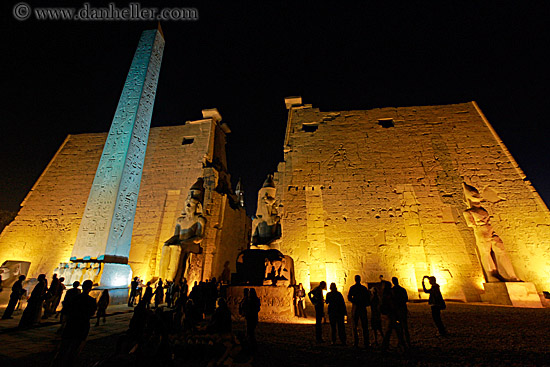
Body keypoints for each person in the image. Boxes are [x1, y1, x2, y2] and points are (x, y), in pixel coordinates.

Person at [52, 279, 97, 366]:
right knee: (75, 349)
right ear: (90, 288)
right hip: (82, 325)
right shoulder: (91, 300)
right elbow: (92, 313)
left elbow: (67, 309)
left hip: (71, 324)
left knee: (63, 348)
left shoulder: (75, 298)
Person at [348, 275, 370, 349]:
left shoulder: (353, 288)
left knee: (355, 325)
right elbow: (367, 297)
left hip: (356, 307)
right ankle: (366, 342)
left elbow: (349, 297)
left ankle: (356, 342)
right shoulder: (363, 288)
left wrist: (354, 301)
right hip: (362, 307)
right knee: (364, 325)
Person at [391, 277, 411, 348]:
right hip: (403, 309)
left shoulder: (392, 290)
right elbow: (406, 299)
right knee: (405, 326)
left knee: (399, 327)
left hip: (397, 310)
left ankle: (401, 341)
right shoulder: (402, 289)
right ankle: (408, 341)